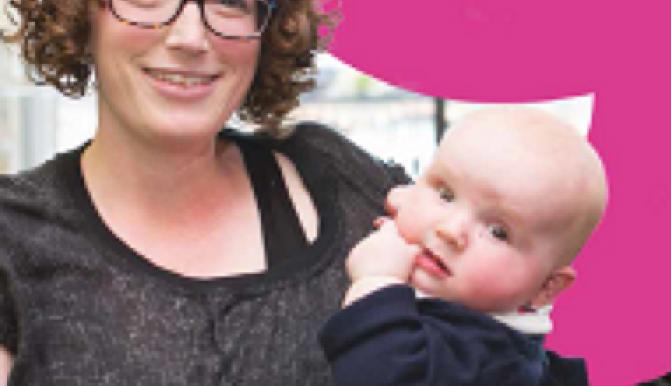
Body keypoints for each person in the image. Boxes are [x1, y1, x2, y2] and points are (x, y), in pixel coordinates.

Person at [0, 0, 412, 384]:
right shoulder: (12, 239)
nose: (191, 38)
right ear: (80, 14)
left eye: (230, 0)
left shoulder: (349, 186)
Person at [319, 107, 608, 386]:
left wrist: (375, 282)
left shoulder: (490, 360)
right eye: (446, 194)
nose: (449, 230)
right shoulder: (486, 315)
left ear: (546, 288)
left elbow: (382, 375)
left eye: (498, 232)